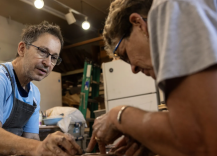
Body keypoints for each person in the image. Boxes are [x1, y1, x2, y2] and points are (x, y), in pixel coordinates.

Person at [87, 0, 217, 156]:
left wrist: (119, 116)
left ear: (138, 23)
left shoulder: (169, 5)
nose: (133, 68)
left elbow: (200, 140)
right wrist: (156, 139)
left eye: (125, 55)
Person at [0, 21, 83, 156]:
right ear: (22, 49)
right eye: (43, 52)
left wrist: (49, 151)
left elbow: (31, 138)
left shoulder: (34, 94)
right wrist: (39, 147)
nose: (48, 63)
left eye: (54, 57)